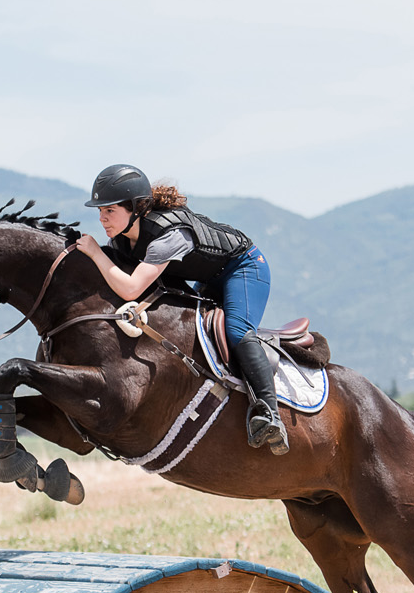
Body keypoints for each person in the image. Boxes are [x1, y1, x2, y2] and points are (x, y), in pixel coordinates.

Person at [75, 163, 288, 455]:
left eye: (109, 211)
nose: (101, 219)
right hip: (207, 278)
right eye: (99, 212)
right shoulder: (123, 240)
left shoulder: (167, 235)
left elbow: (130, 288)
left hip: (243, 268)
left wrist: (95, 253)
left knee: (236, 331)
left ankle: (269, 412)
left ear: (136, 208)